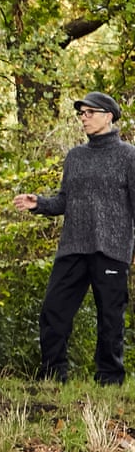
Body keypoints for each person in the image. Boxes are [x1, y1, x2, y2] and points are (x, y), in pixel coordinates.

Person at [13, 91, 135, 385]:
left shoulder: (129, 156)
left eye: (90, 112)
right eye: (81, 113)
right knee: (53, 311)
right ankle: (54, 375)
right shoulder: (75, 157)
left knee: (110, 319)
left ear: (108, 116)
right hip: (72, 247)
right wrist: (39, 203)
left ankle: (109, 379)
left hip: (112, 249)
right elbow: (64, 201)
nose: (84, 118)